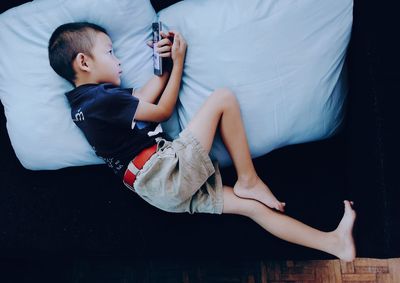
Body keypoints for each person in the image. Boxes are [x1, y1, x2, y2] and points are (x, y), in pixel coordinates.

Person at [48, 22, 356, 262]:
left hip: (157, 189)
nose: (118, 61)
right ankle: (249, 178)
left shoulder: (86, 104)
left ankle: (334, 244)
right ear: (84, 61)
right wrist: (179, 62)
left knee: (254, 209)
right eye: (111, 52)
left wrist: (163, 62)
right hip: (162, 171)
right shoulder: (98, 101)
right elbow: (162, 110)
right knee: (222, 98)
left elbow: (145, 96)